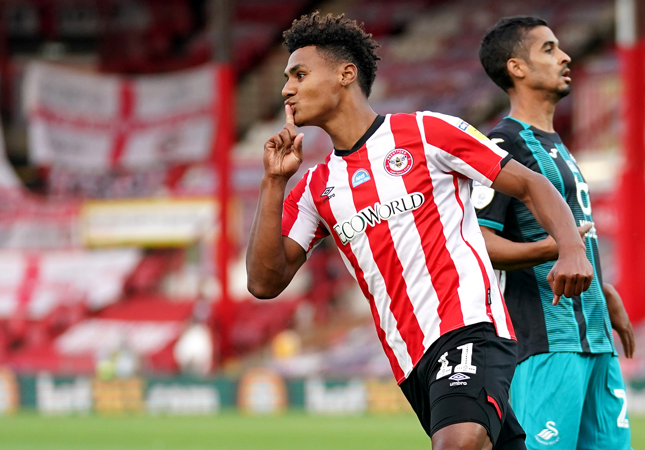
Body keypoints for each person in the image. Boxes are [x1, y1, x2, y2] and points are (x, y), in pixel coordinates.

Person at [246, 12, 595, 450]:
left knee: (457, 443)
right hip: (411, 359)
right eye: (287, 78)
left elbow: (530, 184)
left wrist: (570, 248)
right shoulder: (316, 188)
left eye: (299, 74)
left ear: (345, 74)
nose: (286, 89)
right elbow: (264, 282)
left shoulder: (427, 132)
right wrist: (273, 182)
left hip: (470, 325)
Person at [476, 16, 634, 449]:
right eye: (548, 49)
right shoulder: (503, 147)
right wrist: (555, 249)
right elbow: (479, 242)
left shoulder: (556, 145)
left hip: (595, 340)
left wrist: (601, 289)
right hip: (548, 342)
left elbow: (576, 237)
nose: (564, 56)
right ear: (516, 67)